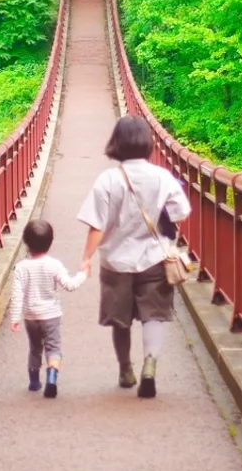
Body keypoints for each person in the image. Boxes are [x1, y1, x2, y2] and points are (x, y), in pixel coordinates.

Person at [77, 115, 191, 399]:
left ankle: (125, 368)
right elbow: (181, 211)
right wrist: (162, 216)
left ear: (116, 142)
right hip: (155, 258)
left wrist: (86, 257)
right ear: (147, 143)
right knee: (154, 315)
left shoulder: (108, 179)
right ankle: (150, 366)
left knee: (120, 318)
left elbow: (96, 225)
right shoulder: (162, 176)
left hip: (116, 262)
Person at [9, 219, 87, 398]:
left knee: (35, 348)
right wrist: (83, 274)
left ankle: (34, 382)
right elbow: (69, 285)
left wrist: (14, 319)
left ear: (26, 242)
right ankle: (52, 377)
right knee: (53, 348)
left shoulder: (21, 267)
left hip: (30, 316)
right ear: (50, 242)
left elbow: (17, 294)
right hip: (51, 315)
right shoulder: (54, 265)